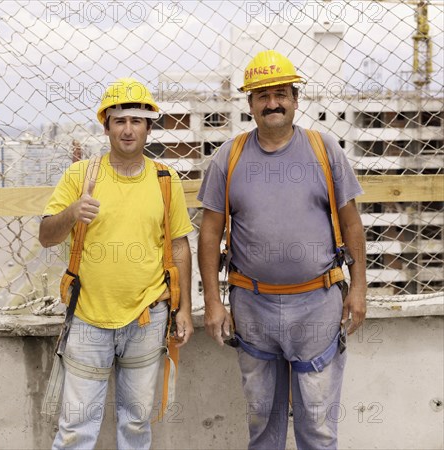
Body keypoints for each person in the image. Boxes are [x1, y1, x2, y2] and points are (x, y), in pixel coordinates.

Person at [197, 50, 367, 450]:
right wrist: (212, 302)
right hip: (252, 306)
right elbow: (209, 233)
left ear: (295, 98)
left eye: (280, 94)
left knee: (319, 426)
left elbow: (351, 222)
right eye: (262, 96)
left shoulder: (323, 149)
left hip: (317, 303)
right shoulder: (230, 157)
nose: (272, 103)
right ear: (250, 103)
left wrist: (358, 289)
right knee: (263, 425)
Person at [40, 77, 194, 450]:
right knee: (76, 428)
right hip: (89, 317)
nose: (128, 129)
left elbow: (178, 245)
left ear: (148, 127)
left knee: (137, 425)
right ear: (106, 125)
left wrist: (185, 307)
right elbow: (46, 235)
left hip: (148, 316)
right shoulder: (81, 176)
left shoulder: (164, 179)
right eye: (119, 120)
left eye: (136, 121)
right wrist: (73, 213)